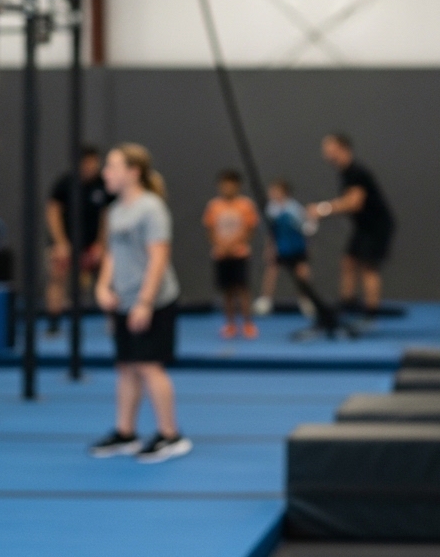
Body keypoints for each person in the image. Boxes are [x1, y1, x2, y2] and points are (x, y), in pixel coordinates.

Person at [88, 144, 191, 463]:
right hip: (124, 301)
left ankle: (170, 435)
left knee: (149, 366)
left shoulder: (151, 208)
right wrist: (104, 286)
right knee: (126, 366)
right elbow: (112, 254)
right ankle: (125, 433)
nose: (105, 173)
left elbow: (159, 258)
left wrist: (145, 303)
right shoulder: (116, 209)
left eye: (112, 166)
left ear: (133, 172)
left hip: (153, 301)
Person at [307, 134, 395, 317]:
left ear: (343, 148)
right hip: (363, 227)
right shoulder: (346, 173)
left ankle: (371, 312)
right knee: (348, 261)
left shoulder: (357, 172)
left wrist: (322, 210)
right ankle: (348, 303)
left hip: (376, 226)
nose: (326, 154)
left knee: (369, 267)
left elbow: (354, 203)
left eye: (330, 149)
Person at [45, 144, 115, 335]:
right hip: (66, 245)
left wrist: (101, 245)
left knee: (109, 278)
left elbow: (106, 216)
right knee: (57, 279)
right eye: (85, 162)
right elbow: (53, 213)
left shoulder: (104, 185)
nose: (89, 166)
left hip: (93, 245)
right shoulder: (64, 183)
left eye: (93, 162)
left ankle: (115, 323)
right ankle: (53, 324)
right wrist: (60, 243)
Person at [203, 169, 261, 339]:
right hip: (221, 255)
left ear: (238, 186)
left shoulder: (246, 205)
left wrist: (234, 244)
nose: (227, 187)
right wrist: (221, 245)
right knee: (227, 291)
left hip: (240, 254)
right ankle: (230, 324)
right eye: (224, 184)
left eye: (231, 184)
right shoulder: (214, 206)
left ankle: (248, 324)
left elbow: (250, 229)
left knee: (242, 289)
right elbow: (210, 230)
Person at [256, 179, 316, 319]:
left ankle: (307, 301)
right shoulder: (271, 209)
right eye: (271, 190)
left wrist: (306, 245)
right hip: (280, 247)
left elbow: (305, 229)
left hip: (296, 246)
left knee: (302, 273)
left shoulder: (294, 209)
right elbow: (271, 231)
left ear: (284, 192)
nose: (271, 193)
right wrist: (270, 247)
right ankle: (265, 301)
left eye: (275, 190)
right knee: (272, 271)